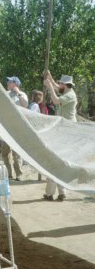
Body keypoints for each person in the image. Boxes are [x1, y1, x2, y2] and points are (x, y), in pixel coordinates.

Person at [43, 72, 77, 201]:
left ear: (66, 85)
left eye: (61, 83)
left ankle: (51, 193)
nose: (59, 85)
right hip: (64, 130)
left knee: (55, 160)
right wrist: (50, 77)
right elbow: (58, 88)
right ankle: (59, 192)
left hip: (66, 131)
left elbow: (56, 100)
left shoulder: (70, 95)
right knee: (59, 161)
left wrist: (49, 86)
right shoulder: (67, 91)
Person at [1, 76, 28, 181]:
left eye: (10, 81)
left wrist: (17, 92)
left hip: (18, 128)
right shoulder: (6, 94)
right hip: (6, 127)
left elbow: (25, 104)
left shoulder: (22, 95)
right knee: (5, 153)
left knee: (17, 153)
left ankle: (19, 174)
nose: (7, 82)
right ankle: (8, 174)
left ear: (15, 83)